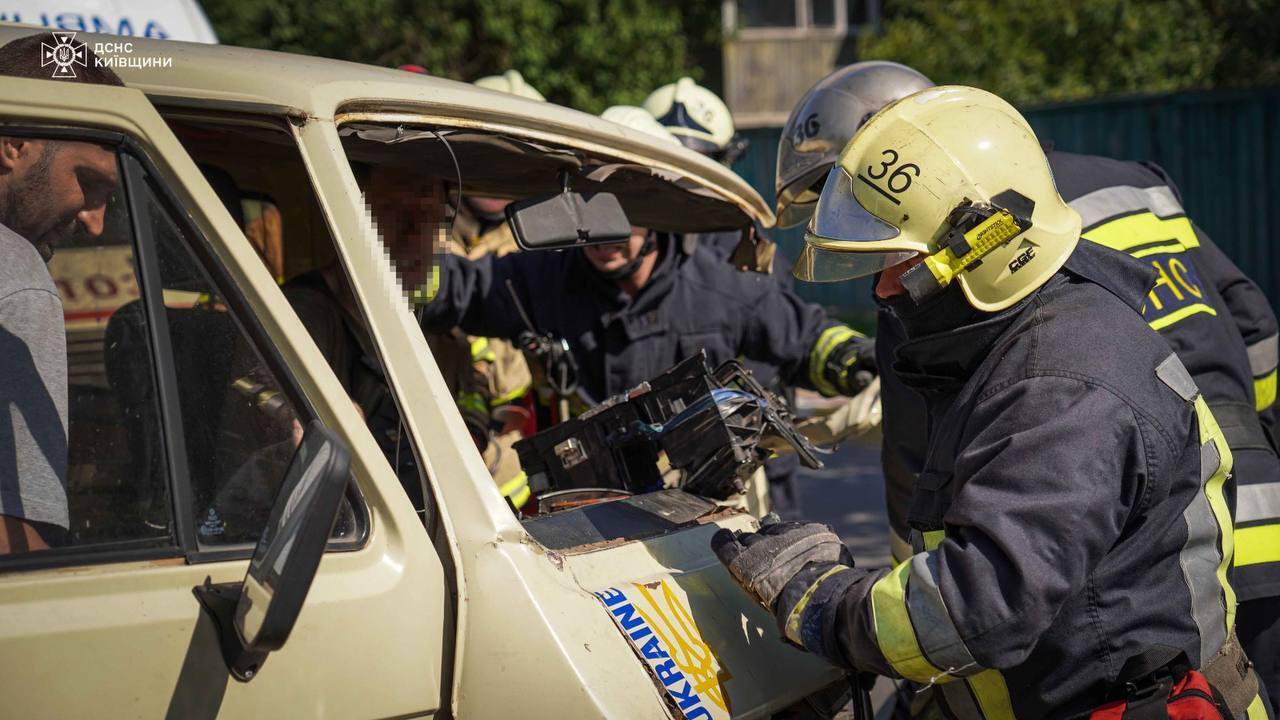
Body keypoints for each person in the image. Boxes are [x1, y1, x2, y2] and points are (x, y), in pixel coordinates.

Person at [717, 85, 1270, 719]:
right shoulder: (1033, 337)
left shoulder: (1061, 385)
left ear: (981, 248)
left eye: (898, 261)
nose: (882, 287)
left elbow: (982, 607)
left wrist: (822, 602)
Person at [421, 221, 877, 513]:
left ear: (657, 215)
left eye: (621, 217)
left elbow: (804, 337)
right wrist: (398, 270)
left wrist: (853, 359)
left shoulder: (716, 288)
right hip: (586, 512)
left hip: (705, 513)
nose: (602, 236)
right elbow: (467, 289)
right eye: (590, 215)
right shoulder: (546, 281)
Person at [0, 34, 124, 553]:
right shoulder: (16, 271)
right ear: (14, 145)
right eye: (89, 182)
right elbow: (21, 542)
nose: (95, 222)